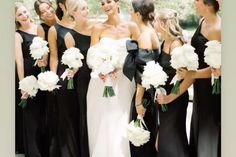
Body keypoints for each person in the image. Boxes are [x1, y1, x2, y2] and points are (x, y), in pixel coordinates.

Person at [157, 1, 221, 157]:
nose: (194, 2)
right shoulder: (202, 21)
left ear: (208, 3)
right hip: (199, 88)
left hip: (213, 89)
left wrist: (192, 74)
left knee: (209, 133)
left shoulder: (219, 29)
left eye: (197, 0)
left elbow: (221, 69)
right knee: (197, 128)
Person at [86, 0, 139, 157]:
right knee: (102, 119)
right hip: (101, 81)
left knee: (121, 119)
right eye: (102, 3)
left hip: (124, 80)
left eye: (108, 1)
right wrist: (100, 69)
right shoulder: (98, 28)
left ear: (117, 3)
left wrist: (119, 66)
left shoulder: (131, 27)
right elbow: (92, 54)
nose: (105, 6)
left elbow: (137, 55)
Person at [123, 0, 159, 157]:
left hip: (144, 93)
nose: (129, 13)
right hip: (150, 91)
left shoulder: (144, 36)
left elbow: (143, 72)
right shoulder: (151, 31)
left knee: (141, 136)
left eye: (131, 10)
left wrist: (138, 101)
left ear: (138, 14)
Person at [153, 8, 189, 157]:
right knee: (164, 141)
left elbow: (188, 77)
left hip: (175, 99)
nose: (152, 23)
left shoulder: (176, 45)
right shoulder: (164, 42)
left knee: (171, 140)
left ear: (162, 24)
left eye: (155, 20)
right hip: (164, 99)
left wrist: (169, 97)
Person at [64, 0, 97, 156]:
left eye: (87, 8)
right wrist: (73, 70)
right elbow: (74, 62)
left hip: (100, 75)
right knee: (86, 113)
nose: (87, 11)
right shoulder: (69, 36)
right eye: (83, 9)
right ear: (73, 12)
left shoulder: (97, 27)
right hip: (83, 79)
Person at [15, 2, 47, 157]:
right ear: (16, 19)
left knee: (43, 112)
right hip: (29, 75)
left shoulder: (40, 28)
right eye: (20, 14)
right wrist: (22, 84)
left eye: (25, 12)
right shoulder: (18, 35)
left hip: (43, 73)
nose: (24, 16)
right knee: (31, 115)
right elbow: (19, 61)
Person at [48, 0, 78, 157]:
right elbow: (53, 57)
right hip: (65, 77)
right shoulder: (54, 29)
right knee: (66, 115)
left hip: (85, 77)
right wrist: (53, 78)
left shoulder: (84, 24)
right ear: (61, 5)